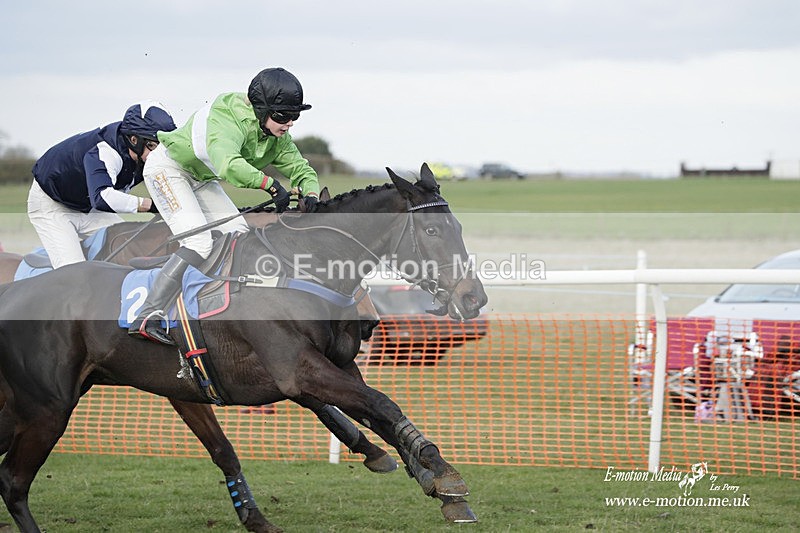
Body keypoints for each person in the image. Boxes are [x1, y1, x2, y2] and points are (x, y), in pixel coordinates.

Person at [129, 67, 321, 345]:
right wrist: (271, 185)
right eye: (283, 116)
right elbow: (229, 165)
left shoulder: (276, 137)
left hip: (200, 178)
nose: (289, 123)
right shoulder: (227, 116)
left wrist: (311, 195)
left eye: (295, 116)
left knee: (239, 236)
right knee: (199, 243)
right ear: (260, 110)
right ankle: (148, 315)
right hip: (167, 170)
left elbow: (301, 170)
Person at [28, 102, 176, 269]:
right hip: (52, 205)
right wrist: (149, 205)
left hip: (88, 206)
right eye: (152, 146)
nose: (157, 154)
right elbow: (102, 198)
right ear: (134, 140)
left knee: (125, 245)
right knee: (75, 271)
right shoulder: (106, 151)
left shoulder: (141, 154)